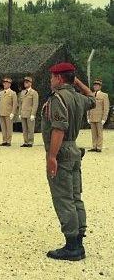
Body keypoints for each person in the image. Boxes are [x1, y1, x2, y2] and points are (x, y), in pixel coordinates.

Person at [42, 62, 96, 261]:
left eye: (52, 77)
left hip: (62, 151)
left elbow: (58, 128)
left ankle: (72, 246)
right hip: (73, 149)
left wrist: (52, 157)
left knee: (63, 198)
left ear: (58, 78)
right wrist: (77, 82)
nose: (50, 80)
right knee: (75, 197)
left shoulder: (58, 98)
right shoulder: (77, 96)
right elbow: (93, 98)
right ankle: (78, 242)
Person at [87, 79, 109, 152]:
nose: (95, 86)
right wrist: (88, 117)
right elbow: (88, 107)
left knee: (99, 133)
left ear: (100, 87)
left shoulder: (104, 95)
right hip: (92, 117)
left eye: (97, 85)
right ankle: (94, 146)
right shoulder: (91, 95)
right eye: (94, 85)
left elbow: (106, 108)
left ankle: (99, 147)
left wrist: (104, 118)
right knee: (93, 133)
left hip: (100, 117)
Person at [19, 76, 39, 147]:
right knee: (24, 129)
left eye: (27, 82)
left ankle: (30, 142)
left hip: (30, 113)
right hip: (23, 112)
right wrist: (19, 112)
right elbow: (20, 103)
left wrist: (33, 114)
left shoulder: (34, 93)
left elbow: (35, 104)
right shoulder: (22, 92)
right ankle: (26, 141)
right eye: (24, 82)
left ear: (30, 83)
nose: (25, 84)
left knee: (30, 128)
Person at [0, 77, 18, 146]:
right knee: (3, 128)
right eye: (4, 83)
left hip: (8, 113)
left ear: (9, 84)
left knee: (9, 127)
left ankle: (8, 141)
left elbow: (15, 104)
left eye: (6, 83)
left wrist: (13, 113)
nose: (5, 84)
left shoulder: (12, 93)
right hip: (2, 112)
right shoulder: (1, 93)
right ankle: (4, 140)